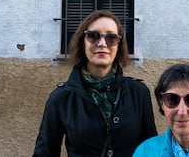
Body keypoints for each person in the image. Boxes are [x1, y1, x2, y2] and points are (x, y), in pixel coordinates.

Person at [33, 10, 157, 157]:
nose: (102, 43)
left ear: (119, 46)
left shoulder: (138, 93)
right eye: (93, 36)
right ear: (83, 42)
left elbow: (150, 150)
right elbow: (45, 153)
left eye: (111, 38)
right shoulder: (61, 98)